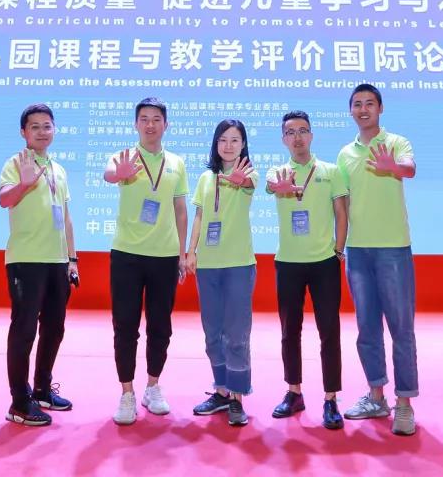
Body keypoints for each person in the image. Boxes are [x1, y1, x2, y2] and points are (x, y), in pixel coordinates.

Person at [336, 83, 419, 436]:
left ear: (380, 108)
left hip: (393, 249)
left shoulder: (396, 142)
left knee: (401, 329)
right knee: (367, 329)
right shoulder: (345, 154)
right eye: (357, 104)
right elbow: (342, 204)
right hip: (358, 252)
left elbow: (410, 168)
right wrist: (339, 248)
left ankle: (405, 403)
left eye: (370, 103)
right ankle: (376, 396)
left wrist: (392, 166)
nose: (363, 109)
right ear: (351, 111)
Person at [104, 97, 189, 425]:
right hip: (127, 254)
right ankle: (126, 392)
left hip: (165, 256)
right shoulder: (124, 156)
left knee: (160, 326)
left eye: (156, 119)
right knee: (125, 325)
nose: (150, 124)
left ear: (166, 125)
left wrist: (182, 253)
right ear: (135, 124)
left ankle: (153, 386)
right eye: (144, 119)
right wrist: (119, 174)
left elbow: (180, 210)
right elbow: (109, 174)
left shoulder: (176, 163)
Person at [265, 110, 348, 430]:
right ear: (283, 139)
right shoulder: (277, 171)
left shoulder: (330, 171)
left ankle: (331, 398)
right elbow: (272, 186)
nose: (297, 137)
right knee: (290, 331)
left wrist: (338, 250)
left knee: (329, 330)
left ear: (311, 135)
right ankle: (294, 392)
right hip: (288, 262)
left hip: (324, 262)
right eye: (290, 132)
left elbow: (341, 212)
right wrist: (280, 186)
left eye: (302, 131)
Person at [0, 103, 78, 427]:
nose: (42, 132)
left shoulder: (59, 169)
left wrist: (72, 259)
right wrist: (24, 184)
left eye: (47, 126)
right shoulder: (16, 163)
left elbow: (67, 218)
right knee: (24, 330)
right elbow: (4, 200)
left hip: (57, 261)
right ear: (23, 132)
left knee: (54, 328)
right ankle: (20, 402)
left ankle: (43, 389)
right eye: (35, 127)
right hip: (26, 260)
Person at [184, 119, 258, 427]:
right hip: (208, 266)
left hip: (239, 263)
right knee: (212, 332)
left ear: (243, 145)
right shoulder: (205, 178)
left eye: (235, 140)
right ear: (216, 144)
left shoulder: (249, 173)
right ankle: (221, 391)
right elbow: (199, 216)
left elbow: (249, 184)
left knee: (236, 334)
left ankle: (237, 397)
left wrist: (241, 181)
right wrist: (190, 251)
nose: (228, 145)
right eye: (223, 139)